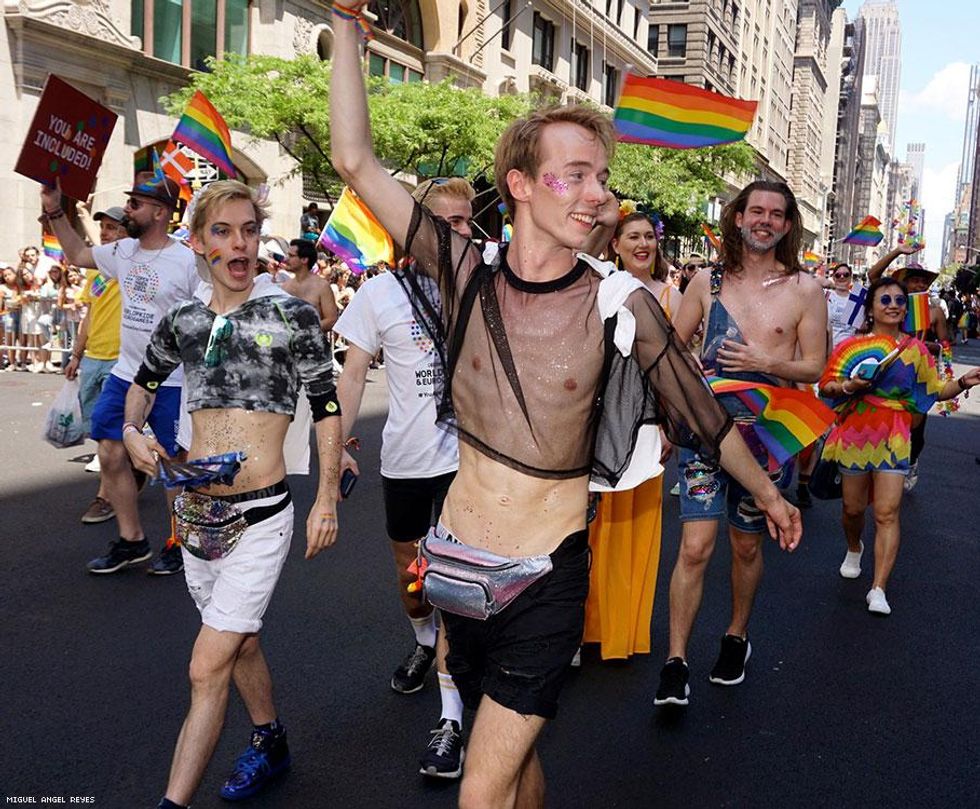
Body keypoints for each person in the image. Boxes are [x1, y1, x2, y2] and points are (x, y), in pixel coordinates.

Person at [330, 11, 801, 807]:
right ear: (519, 184)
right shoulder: (465, 274)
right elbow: (354, 160)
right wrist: (347, 26)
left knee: (481, 789)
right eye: (576, 174)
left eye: (601, 177)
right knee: (515, 766)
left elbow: (703, 415)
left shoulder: (619, 304)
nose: (599, 194)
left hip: (545, 580)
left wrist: (768, 492)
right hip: (455, 568)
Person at [118, 180, 341, 809]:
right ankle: (269, 740)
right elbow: (142, 383)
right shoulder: (184, 320)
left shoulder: (291, 315)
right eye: (223, 231)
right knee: (238, 641)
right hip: (195, 515)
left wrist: (327, 498)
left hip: (261, 516)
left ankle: (172, 802)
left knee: (205, 665)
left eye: (249, 230)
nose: (239, 244)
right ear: (198, 243)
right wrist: (133, 431)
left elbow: (327, 408)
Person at [655, 180, 826, 708]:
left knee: (747, 544)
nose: (765, 221)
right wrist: (668, 414)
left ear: (788, 225)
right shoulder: (706, 281)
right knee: (694, 547)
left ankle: (736, 636)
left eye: (776, 214)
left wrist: (766, 361)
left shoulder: (805, 290)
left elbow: (815, 367)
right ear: (738, 217)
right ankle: (675, 662)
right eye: (756, 211)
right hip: (704, 432)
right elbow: (670, 351)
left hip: (766, 436)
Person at [334, 176, 474, 780]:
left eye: (464, 222)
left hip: (467, 461)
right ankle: (422, 641)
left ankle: (451, 719)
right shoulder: (379, 293)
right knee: (411, 578)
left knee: (452, 583)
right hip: (407, 461)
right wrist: (337, 445)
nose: (457, 232)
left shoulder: (481, 285)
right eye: (444, 222)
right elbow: (351, 374)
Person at [41, 170, 197, 575]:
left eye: (135, 203)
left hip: (171, 380)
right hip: (126, 374)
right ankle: (132, 540)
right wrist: (55, 210)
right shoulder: (122, 251)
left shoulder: (186, 261)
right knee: (110, 453)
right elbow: (78, 254)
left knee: (172, 463)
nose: (127, 209)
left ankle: (179, 542)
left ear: (160, 212)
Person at [818, 277, 978, 615]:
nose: (893, 305)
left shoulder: (916, 350)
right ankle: (854, 546)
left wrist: (964, 381)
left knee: (887, 512)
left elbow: (935, 390)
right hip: (856, 433)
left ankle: (878, 588)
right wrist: (849, 386)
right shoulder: (851, 346)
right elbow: (827, 386)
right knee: (852, 509)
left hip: (895, 434)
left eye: (900, 301)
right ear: (871, 308)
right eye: (885, 299)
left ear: (906, 309)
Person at [583, 211, 680, 661]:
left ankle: (623, 630)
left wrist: (669, 423)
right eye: (633, 237)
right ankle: (583, 626)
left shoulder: (670, 296)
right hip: (599, 426)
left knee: (635, 529)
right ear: (615, 245)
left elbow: (677, 367)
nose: (643, 244)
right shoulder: (598, 287)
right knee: (590, 528)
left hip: (647, 429)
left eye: (649, 237)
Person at [63, 204, 127, 521]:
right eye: (103, 227)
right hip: (92, 359)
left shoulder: (131, 266)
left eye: (113, 227)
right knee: (98, 428)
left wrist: (81, 217)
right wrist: (76, 354)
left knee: (110, 430)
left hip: (121, 360)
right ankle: (124, 471)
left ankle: (106, 496)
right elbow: (89, 316)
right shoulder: (95, 272)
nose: (105, 233)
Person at [868, 246, 945, 493]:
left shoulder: (934, 312)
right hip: (888, 370)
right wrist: (898, 251)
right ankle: (878, 467)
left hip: (918, 375)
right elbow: (873, 276)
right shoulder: (893, 306)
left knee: (916, 429)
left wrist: (932, 346)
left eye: (923, 281)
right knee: (880, 420)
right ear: (904, 283)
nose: (919, 284)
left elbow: (946, 343)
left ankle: (911, 460)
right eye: (914, 280)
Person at [280, 238, 340, 332]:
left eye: (291, 256)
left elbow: (331, 320)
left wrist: (305, 331)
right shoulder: (285, 286)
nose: (286, 259)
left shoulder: (322, 286)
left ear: (304, 259)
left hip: (312, 340)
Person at [826, 263, 862, 349]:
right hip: (827, 349)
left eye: (846, 274)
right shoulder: (826, 295)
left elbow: (860, 329)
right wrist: (828, 283)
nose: (842, 277)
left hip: (848, 351)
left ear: (850, 277)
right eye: (838, 275)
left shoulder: (857, 299)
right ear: (834, 278)